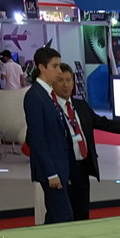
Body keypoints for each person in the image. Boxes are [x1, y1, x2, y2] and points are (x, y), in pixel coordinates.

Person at [52, 67, 120, 220]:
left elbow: (104, 123)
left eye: (68, 80)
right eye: (60, 80)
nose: (65, 85)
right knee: (62, 214)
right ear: (53, 83)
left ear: (73, 83)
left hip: (82, 167)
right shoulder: (50, 108)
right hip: (63, 168)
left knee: (82, 212)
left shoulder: (80, 105)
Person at [25, 47, 78, 225]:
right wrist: (51, 173)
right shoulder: (35, 97)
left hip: (60, 165)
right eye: (55, 66)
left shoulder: (47, 95)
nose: (59, 70)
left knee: (55, 215)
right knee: (63, 215)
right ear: (42, 67)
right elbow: (37, 139)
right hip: (51, 169)